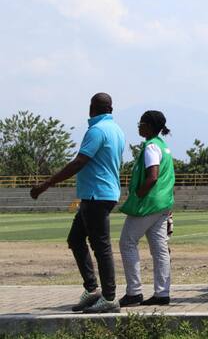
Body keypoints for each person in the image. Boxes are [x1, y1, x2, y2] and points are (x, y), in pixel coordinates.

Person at [30, 93, 125, 313]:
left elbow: (80, 161)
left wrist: (46, 184)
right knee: (75, 239)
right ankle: (92, 290)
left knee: (101, 247)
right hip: (103, 193)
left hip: (96, 195)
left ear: (91, 108)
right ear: (111, 109)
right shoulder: (116, 130)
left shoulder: (97, 130)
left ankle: (109, 298)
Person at [118, 110, 175, 307]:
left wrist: (139, 195)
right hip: (162, 204)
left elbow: (153, 176)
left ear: (149, 126)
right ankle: (162, 293)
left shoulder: (151, 146)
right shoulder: (163, 146)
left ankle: (134, 292)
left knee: (127, 242)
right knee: (159, 249)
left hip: (149, 204)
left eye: (141, 123)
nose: (138, 126)